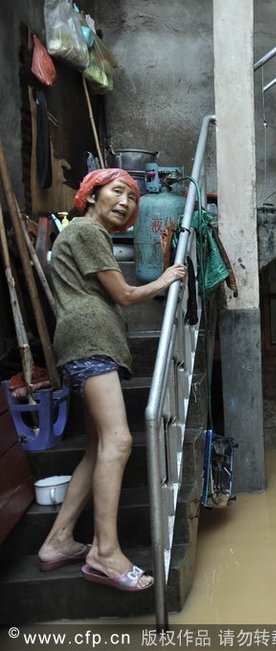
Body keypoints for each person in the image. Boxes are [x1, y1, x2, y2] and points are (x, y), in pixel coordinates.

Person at [36, 168, 186, 591]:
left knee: (97, 447)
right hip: (91, 342)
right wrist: (166, 278)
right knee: (119, 441)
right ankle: (104, 552)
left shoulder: (83, 234)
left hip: (86, 342)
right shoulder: (87, 232)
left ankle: (58, 540)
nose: (125, 202)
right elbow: (124, 293)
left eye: (132, 198)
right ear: (91, 194)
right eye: (117, 192)